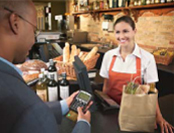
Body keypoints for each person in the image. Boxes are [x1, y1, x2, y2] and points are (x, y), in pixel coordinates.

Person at [0, 0, 92, 133]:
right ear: (15, 23)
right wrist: (83, 124)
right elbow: (30, 112)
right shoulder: (27, 106)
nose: (34, 39)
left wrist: (64, 105)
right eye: (34, 30)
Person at [100, 16, 174, 133]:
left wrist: (158, 117)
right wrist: (101, 106)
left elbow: (151, 92)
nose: (121, 36)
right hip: (111, 111)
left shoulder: (147, 58)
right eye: (117, 32)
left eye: (126, 31)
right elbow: (106, 86)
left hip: (134, 113)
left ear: (134, 31)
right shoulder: (108, 56)